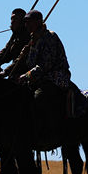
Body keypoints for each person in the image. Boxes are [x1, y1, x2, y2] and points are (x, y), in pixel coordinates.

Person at [17, 9, 72, 137]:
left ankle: (47, 130)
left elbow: (46, 64)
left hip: (56, 77)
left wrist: (26, 76)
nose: (27, 25)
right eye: (25, 22)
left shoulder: (49, 37)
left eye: (29, 22)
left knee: (39, 97)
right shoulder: (33, 40)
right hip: (39, 78)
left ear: (38, 22)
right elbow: (29, 64)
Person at [0, 8, 31, 74]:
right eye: (11, 19)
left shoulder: (29, 37)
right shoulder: (15, 36)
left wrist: (6, 71)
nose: (12, 21)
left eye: (15, 19)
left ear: (22, 22)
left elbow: (22, 59)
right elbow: (6, 52)